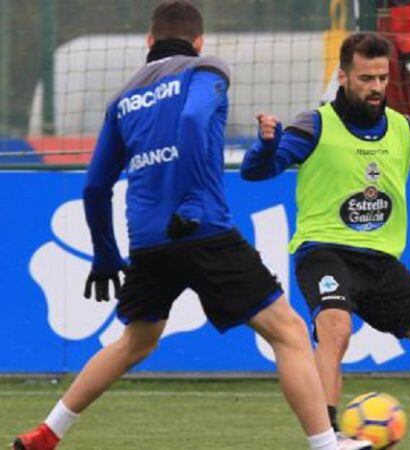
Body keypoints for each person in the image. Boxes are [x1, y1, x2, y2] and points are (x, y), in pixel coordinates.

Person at [12, 2, 337, 449]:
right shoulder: (207, 70)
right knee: (290, 332)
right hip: (203, 230)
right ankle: (326, 445)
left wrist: (106, 254)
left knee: (136, 342)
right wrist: (190, 199)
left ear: (149, 42)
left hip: (148, 242)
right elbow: (191, 117)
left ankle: (49, 432)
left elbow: (94, 187)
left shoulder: (123, 99)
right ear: (198, 41)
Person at [241, 32, 410, 450]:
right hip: (324, 253)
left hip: (380, 262)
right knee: (335, 328)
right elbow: (258, 172)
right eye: (366, 78)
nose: (376, 87)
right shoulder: (315, 124)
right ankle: (328, 437)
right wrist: (265, 147)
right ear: (343, 76)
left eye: (382, 77)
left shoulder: (402, 128)